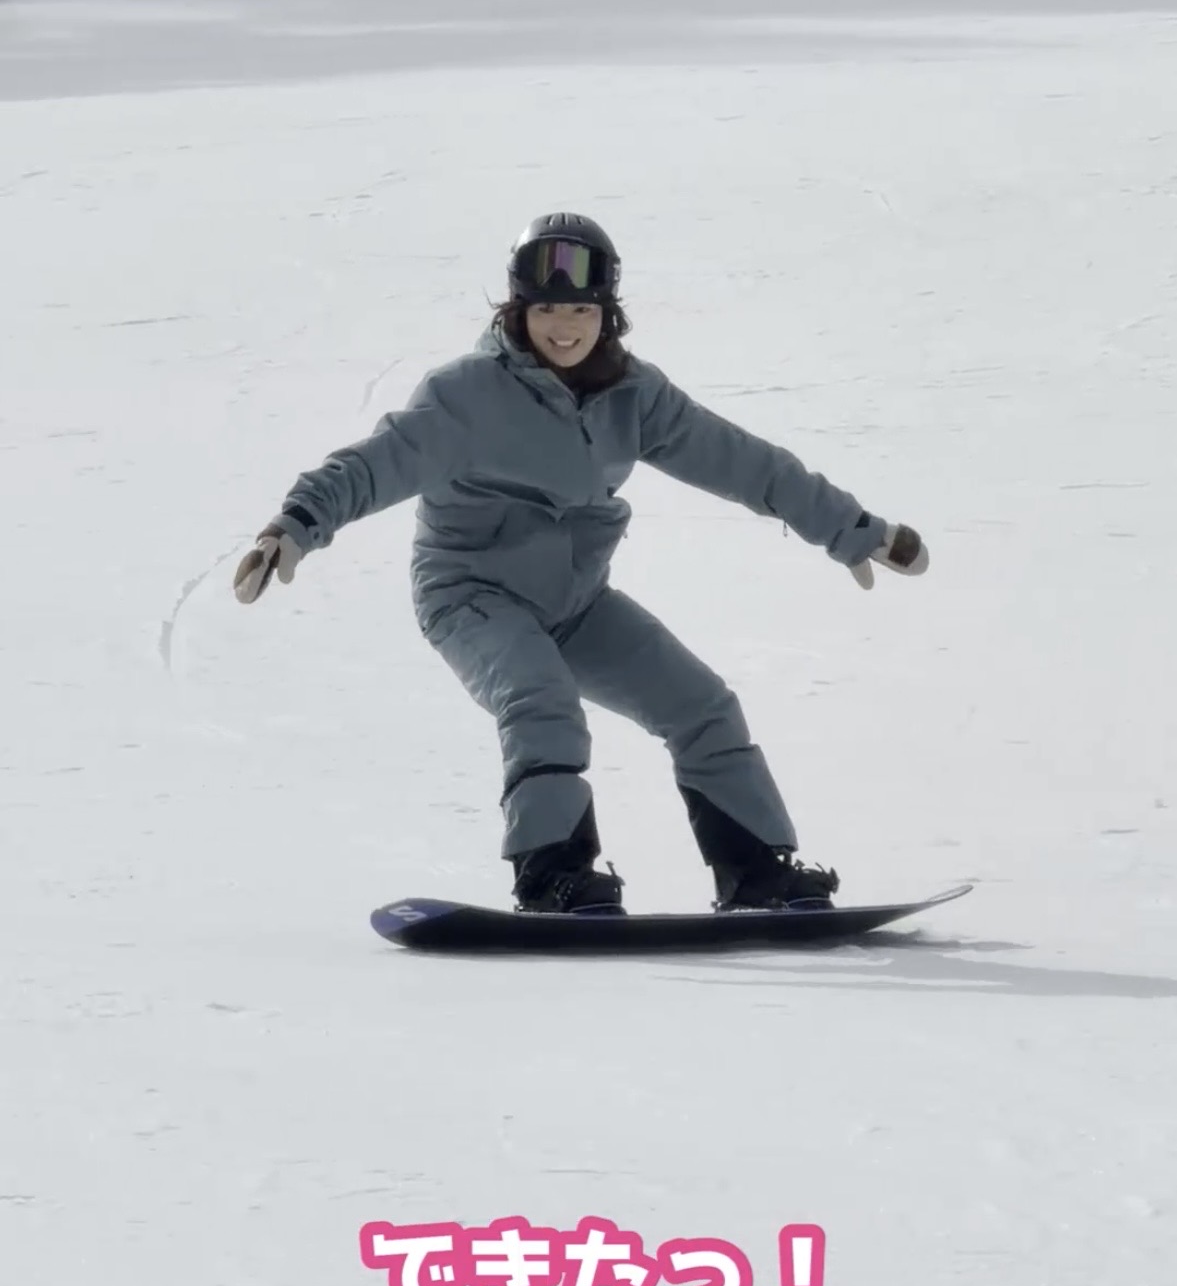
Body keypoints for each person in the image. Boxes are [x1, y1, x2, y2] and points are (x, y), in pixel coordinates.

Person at [234, 213, 928, 916]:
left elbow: (742, 462)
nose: (563, 328)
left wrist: (849, 528)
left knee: (702, 707)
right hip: (471, 596)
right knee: (541, 702)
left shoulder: (634, 394)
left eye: (580, 310)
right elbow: (376, 463)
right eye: (545, 310)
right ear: (517, 311)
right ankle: (552, 875)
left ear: (606, 313)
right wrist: (296, 524)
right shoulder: (466, 395)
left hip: (577, 604)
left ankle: (756, 874)